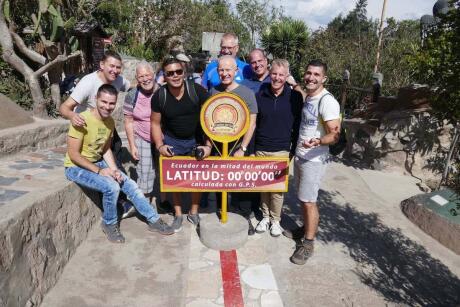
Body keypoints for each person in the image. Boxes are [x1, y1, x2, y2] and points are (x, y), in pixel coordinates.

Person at [64, 84, 174, 243]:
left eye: (111, 103)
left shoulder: (109, 122)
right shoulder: (82, 120)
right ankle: (109, 224)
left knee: (130, 184)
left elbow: (106, 149)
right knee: (112, 187)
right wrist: (99, 171)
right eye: (104, 102)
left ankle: (154, 220)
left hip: (98, 161)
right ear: (96, 99)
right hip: (75, 167)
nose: (107, 107)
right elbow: (73, 155)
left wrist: (114, 170)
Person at [59, 50, 134, 217]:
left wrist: (151, 83)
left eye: (118, 67)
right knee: (103, 164)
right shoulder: (88, 82)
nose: (115, 70)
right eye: (111, 66)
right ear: (102, 65)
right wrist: (72, 116)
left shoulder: (118, 80)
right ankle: (120, 202)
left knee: (115, 155)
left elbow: (132, 87)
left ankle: (122, 199)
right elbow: (64, 107)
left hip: (105, 126)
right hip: (85, 129)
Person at [283, 59, 341, 265]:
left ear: (324, 78)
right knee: (302, 197)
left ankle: (308, 243)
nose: (311, 77)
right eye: (309, 73)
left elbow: (335, 135)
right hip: (301, 156)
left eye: (316, 75)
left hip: (314, 160)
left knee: (309, 201)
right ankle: (305, 228)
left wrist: (318, 141)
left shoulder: (327, 101)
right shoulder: (309, 97)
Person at [151, 57, 212, 232]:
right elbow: (155, 123)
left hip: (195, 140)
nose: (175, 76)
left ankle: (193, 212)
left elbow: (210, 119)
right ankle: (178, 214)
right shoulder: (160, 96)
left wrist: (208, 145)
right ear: (165, 76)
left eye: (178, 71)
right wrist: (160, 145)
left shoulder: (197, 91)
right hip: (172, 141)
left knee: (197, 179)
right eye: (170, 73)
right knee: (174, 179)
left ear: (184, 73)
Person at [254, 59, 303, 237]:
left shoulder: (295, 97)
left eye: (281, 74)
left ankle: (276, 220)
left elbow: (298, 125)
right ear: (269, 73)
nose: (277, 78)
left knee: (276, 189)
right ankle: (265, 217)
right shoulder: (261, 94)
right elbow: (255, 124)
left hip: (282, 148)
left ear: (287, 76)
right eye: (274, 73)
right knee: (263, 187)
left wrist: (293, 149)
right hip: (261, 147)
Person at [210, 55, 258, 235]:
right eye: (221, 70)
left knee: (241, 184)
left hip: (240, 147)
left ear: (236, 70)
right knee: (219, 182)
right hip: (218, 147)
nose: (224, 73)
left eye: (228, 69)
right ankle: (223, 212)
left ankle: (245, 217)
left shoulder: (247, 93)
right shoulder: (213, 91)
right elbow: (208, 121)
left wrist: (243, 148)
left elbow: (252, 123)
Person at [123, 61, 157, 203]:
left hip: (163, 138)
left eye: (147, 75)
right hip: (143, 137)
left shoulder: (163, 91)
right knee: (145, 172)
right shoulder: (132, 95)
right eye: (141, 76)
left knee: (164, 170)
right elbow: (128, 121)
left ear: (153, 75)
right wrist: (132, 145)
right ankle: (146, 204)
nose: (145, 79)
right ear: (137, 79)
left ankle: (164, 200)